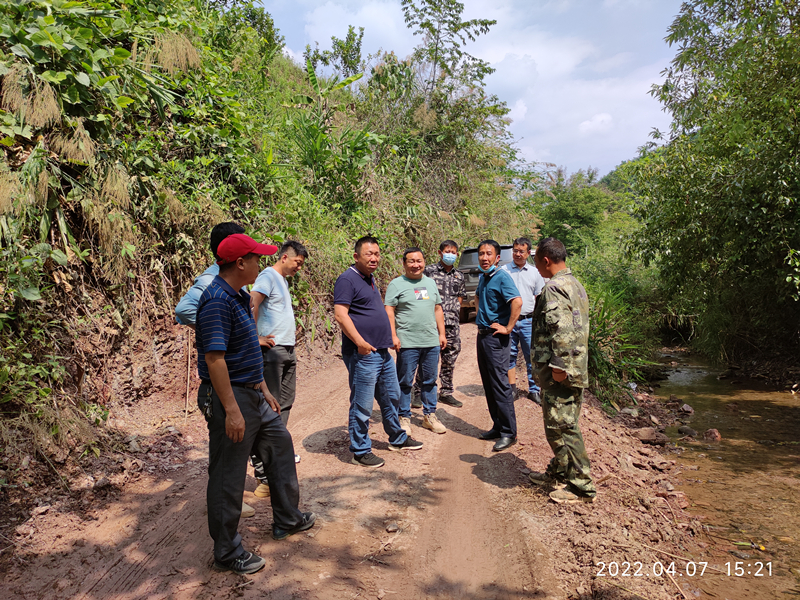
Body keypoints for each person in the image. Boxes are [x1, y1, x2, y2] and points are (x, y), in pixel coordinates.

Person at [196, 232, 315, 574]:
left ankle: (287, 519)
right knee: (228, 474)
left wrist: (264, 389)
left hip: (253, 393)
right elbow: (216, 360)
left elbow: (246, 350)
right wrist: (232, 411)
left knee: (280, 445)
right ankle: (227, 552)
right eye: (256, 258)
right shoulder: (217, 300)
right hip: (231, 396)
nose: (261, 264)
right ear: (240, 263)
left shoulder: (237, 296)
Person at [175, 222, 258, 519]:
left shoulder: (235, 280)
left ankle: (230, 499)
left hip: (242, 380)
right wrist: (217, 325)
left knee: (235, 445)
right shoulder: (213, 283)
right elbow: (183, 310)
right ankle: (224, 507)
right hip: (225, 383)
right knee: (225, 448)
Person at [334, 236, 424, 468]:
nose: (374, 258)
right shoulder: (347, 279)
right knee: (362, 404)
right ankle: (360, 451)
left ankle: (397, 437)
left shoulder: (369, 278)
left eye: (376, 253)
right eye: (368, 254)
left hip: (381, 352)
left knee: (391, 396)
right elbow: (340, 315)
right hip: (363, 353)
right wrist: (360, 344)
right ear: (356, 256)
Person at [528, 237, 596, 504]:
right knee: (563, 422)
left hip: (562, 373)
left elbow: (562, 330)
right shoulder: (575, 285)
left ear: (546, 260)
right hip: (575, 368)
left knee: (561, 427)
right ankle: (560, 471)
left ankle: (581, 486)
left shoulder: (555, 288)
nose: (537, 269)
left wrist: (557, 367)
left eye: (537, 263)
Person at [249, 241, 308, 498]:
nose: (299, 267)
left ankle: (277, 452)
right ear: (285, 257)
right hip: (271, 351)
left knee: (284, 403)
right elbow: (252, 303)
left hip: (287, 349)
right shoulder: (268, 276)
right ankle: (263, 464)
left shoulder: (282, 280)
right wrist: (255, 338)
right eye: (297, 262)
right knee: (269, 405)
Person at [385, 248, 448, 435]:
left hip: (430, 341)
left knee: (429, 380)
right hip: (407, 342)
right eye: (411, 261)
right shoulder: (396, 284)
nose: (416, 265)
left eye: (419, 261)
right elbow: (389, 311)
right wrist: (393, 335)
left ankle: (430, 416)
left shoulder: (429, 283)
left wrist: (441, 334)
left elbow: (437, 309)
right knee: (404, 381)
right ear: (404, 263)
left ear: (424, 262)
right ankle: (404, 417)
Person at [474, 240, 522, 452]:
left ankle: (508, 432)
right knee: (488, 383)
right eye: (481, 254)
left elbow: (517, 302)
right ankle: (497, 425)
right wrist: (480, 316)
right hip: (482, 336)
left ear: (497, 257)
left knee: (500, 385)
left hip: (496, 338)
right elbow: (477, 298)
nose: (484, 258)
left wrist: (508, 327)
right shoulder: (484, 277)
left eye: (488, 254)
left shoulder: (502, 276)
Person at [412, 240, 466, 409]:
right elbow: (420, 295)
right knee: (427, 359)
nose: (451, 254)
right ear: (440, 252)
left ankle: (446, 392)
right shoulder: (428, 272)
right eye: (447, 251)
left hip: (452, 324)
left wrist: (453, 314)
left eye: (454, 252)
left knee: (450, 359)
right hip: (431, 324)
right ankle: (417, 392)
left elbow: (460, 298)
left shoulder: (459, 275)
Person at [501, 237, 546, 404]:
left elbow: (539, 297)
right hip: (509, 321)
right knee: (509, 356)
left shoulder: (535, 273)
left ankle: (534, 390)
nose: (517, 254)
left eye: (521, 251)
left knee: (532, 356)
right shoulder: (503, 271)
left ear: (528, 253)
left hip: (528, 321)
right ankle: (511, 389)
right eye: (515, 251)